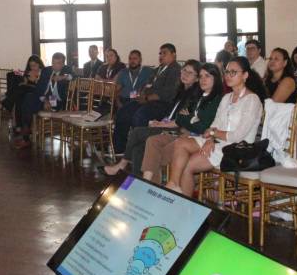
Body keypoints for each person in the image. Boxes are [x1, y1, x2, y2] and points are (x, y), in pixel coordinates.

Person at [165, 57, 264, 197]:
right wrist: (210, 139)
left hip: (237, 148)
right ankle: (173, 184)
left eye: (233, 72)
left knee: (188, 166)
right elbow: (214, 124)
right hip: (218, 142)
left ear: (245, 75)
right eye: (227, 72)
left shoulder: (252, 100)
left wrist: (213, 134)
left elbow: (237, 136)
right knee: (180, 143)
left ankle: (182, 203)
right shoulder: (227, 98)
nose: (228, 75)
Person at [103, 61, 206, 176]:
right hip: (168, 125)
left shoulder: (195, 96)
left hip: (178, 131)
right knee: (138, 148)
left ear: (197, 79)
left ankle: (121, 165)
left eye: (190, 73)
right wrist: (160, 122)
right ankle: (140, 181)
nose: (185, 74)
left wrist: (162, 124)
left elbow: (181, 121)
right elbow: (172, 115)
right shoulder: (181, 91)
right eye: (184, 70)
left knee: (137, 132)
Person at [139, 63, 226, 182]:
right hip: (184, 134)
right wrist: (191, 120)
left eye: (207, 76)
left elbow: (203, 127)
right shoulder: (198, 95)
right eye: (201, 76)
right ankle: (149, 183)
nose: (203, 80)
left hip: (199, 139)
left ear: (216, 78)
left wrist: (189, 119)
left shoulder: (218, 100)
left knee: (158, 153)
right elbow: (180, 117)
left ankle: (151, 184)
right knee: (152, 141)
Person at [112, 43, 182, 154]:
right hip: (147, 100)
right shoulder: (158, 69)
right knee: (123, 112)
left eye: (164, 53)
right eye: (160, 53)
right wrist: (142, 94)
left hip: (163, 104)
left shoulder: (175, 70)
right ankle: (120, 149)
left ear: (173, 55)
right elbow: (147, 85)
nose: (161, 56)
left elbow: (168, 93)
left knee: (139, 117)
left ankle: (138, 153)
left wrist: (147, 98)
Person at [15, 52, 74, 147]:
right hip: (46, 98)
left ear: (62, 64)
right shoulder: (47, 70)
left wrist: (63, 77)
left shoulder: (67, 69)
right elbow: (39, 88)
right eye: (53, 62)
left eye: (57, 63)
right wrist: (45, 100)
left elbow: (74, 76)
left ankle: (26, 135)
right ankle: (26, 133)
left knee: (29, 105)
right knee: (28, 98)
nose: (54, 66)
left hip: (57, 100)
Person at [0, 55, 43, 133]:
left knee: (21, 90)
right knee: (19, 98)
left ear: (39, 64)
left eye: (34, 65)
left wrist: (35, 79)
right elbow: (18, 75)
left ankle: (5, 102)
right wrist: (24, 80)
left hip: (37, 93)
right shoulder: (28, 72)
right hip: (27, 93)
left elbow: (42, 87)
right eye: (31, 65)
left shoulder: (43, 72)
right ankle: (19, 126)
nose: (33, 67)